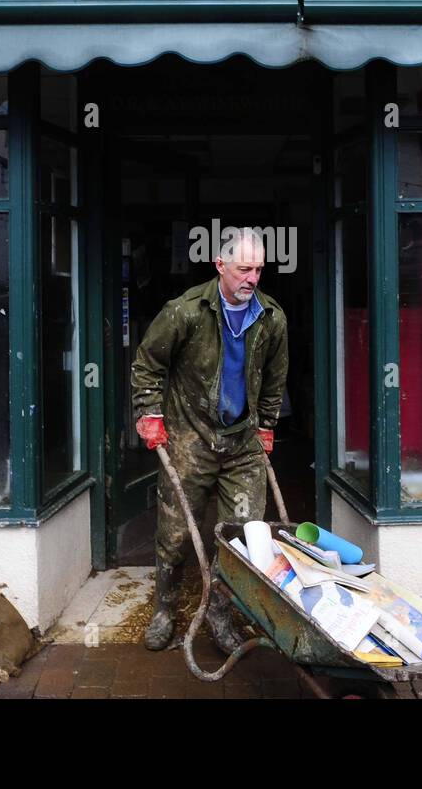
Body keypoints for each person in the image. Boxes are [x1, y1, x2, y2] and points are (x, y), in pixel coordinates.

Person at [131, 227, 289, 653]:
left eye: (258, 269)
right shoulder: (184, 312)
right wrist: (150, 414)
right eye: (243, 269)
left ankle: (220, 612)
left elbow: (274, 378)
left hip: (242, 445)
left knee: (241, 534)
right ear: (220, 266)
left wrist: (266, 424)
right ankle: (164, 608)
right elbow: (147, 365)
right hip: (190, 440)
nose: (252, 278)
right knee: (177, 533)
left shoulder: (271, 317)